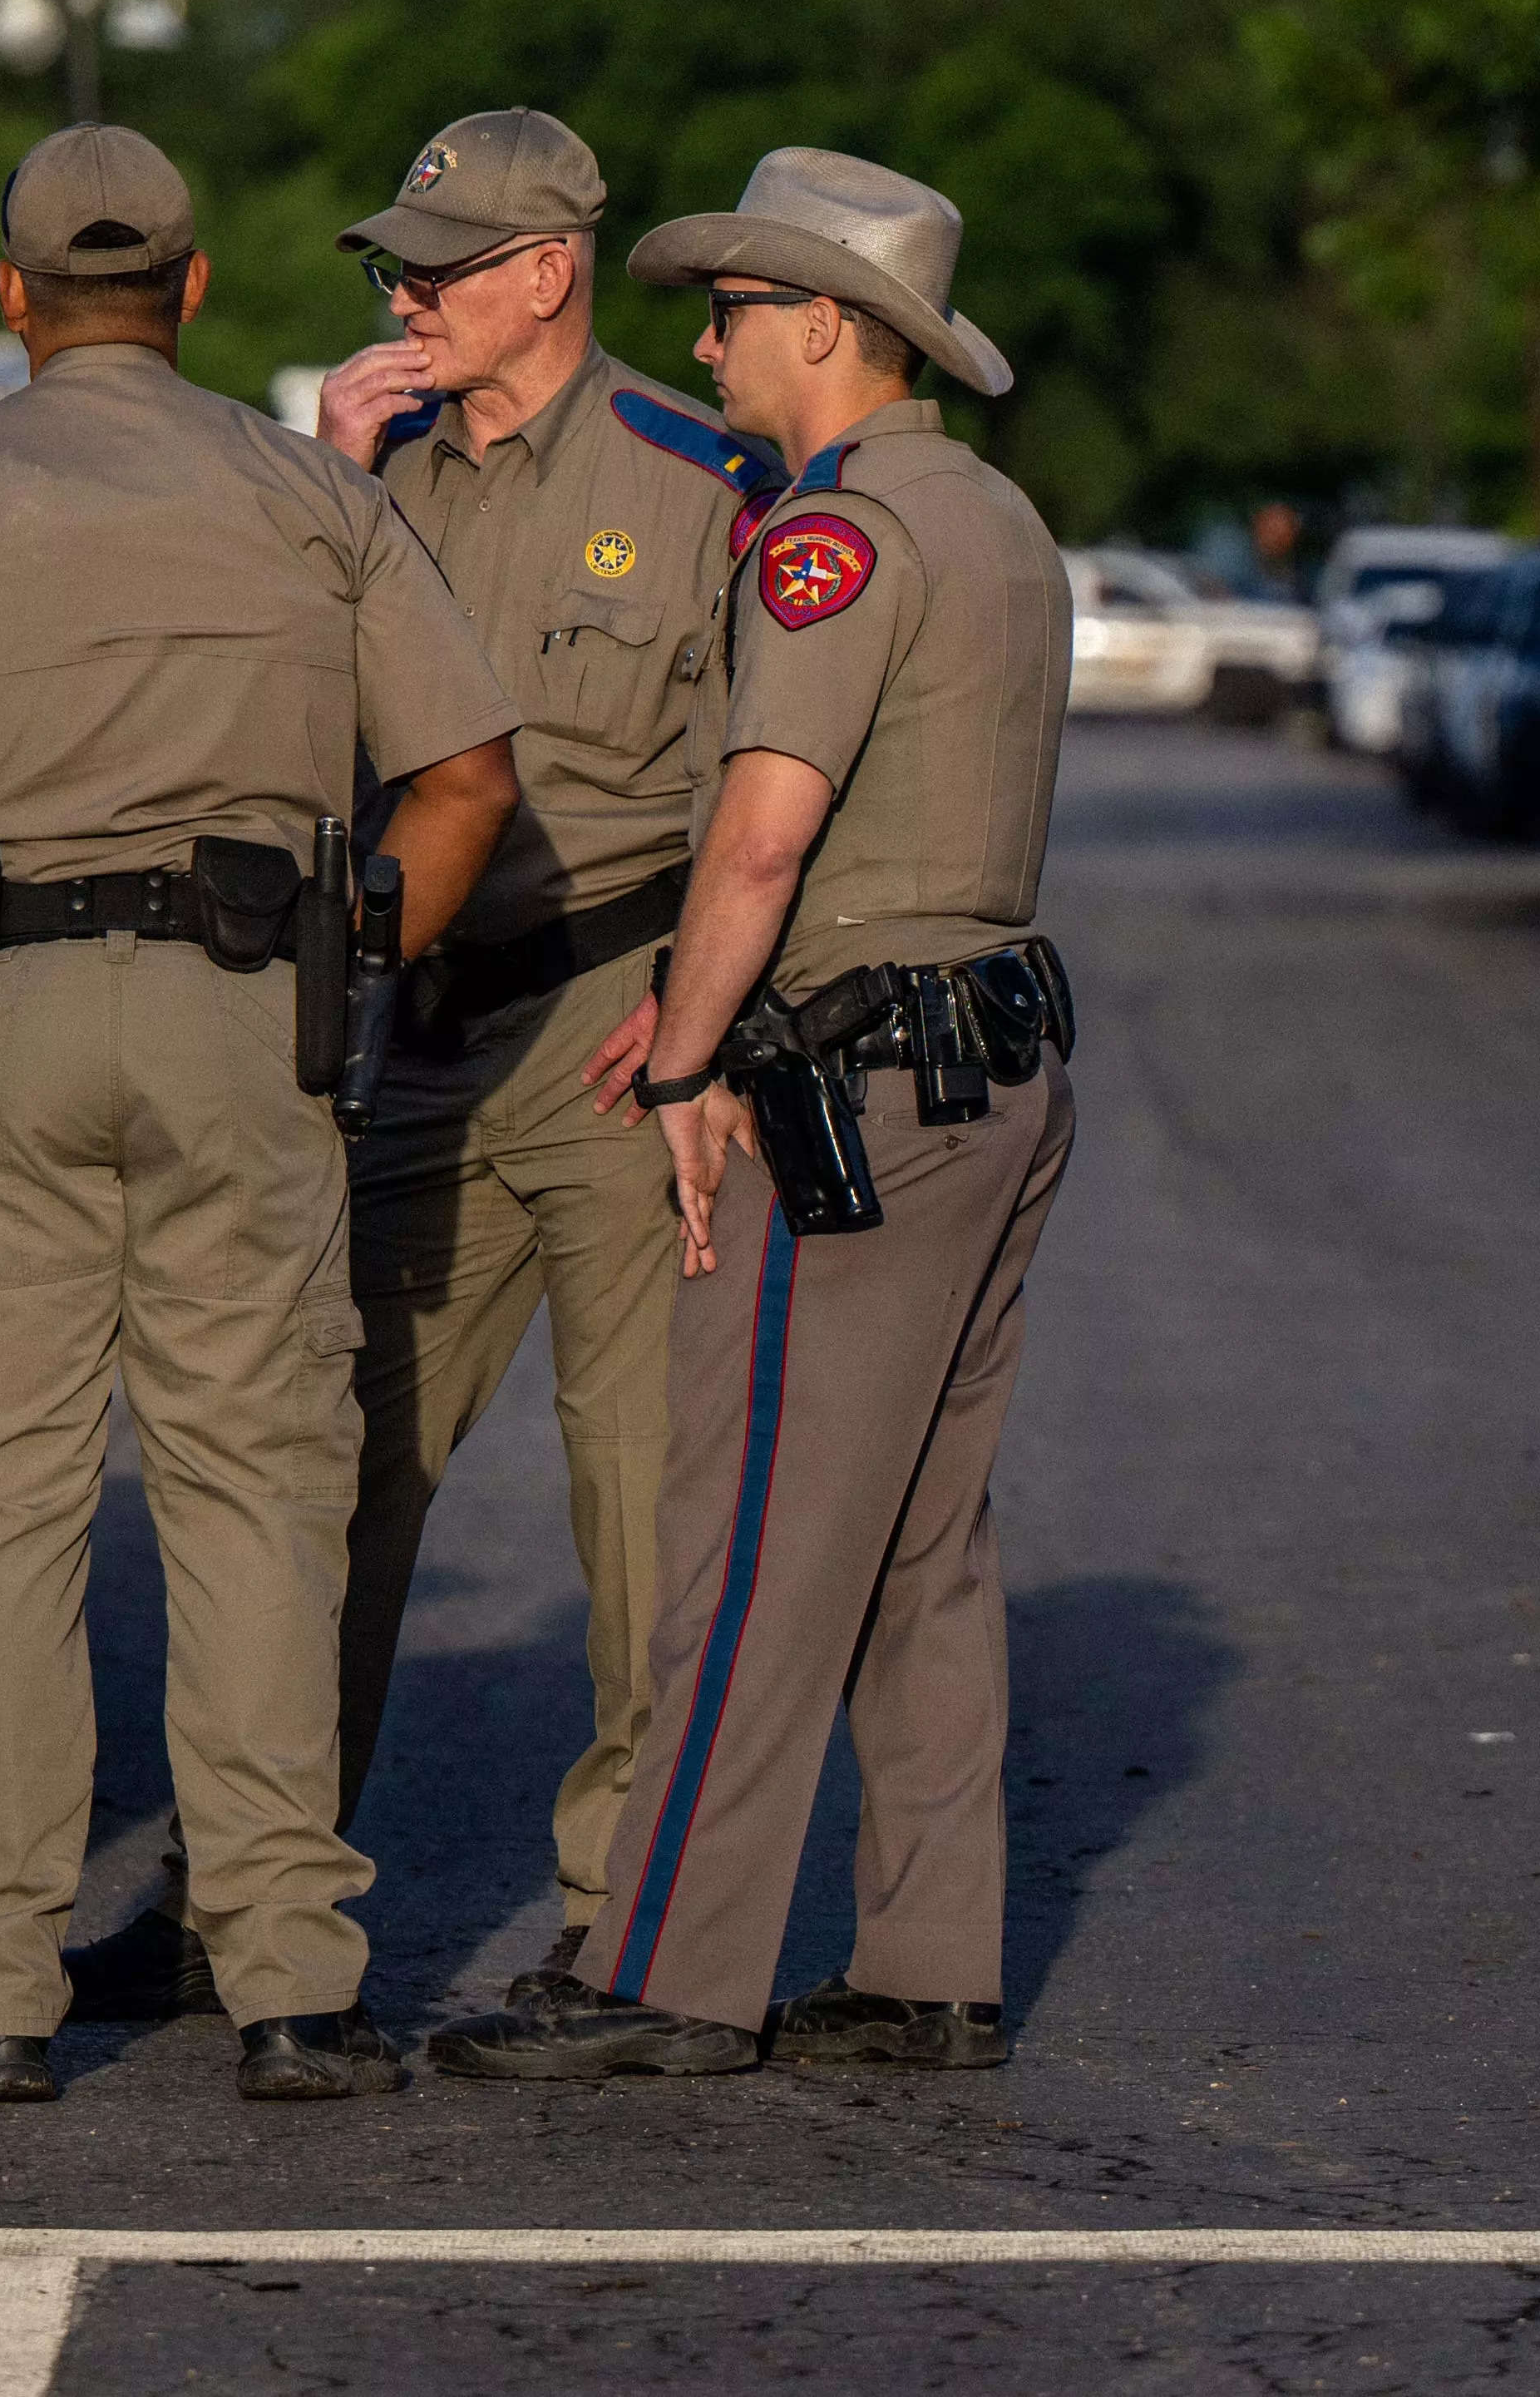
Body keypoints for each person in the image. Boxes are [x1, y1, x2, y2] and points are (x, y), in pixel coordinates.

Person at [0, 125, 523, 2106]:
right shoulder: (301, 493)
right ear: (191, 286)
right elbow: (471, 777)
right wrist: (355, 964)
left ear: (7, 298)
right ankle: (291, 1981)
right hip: (241, 1008)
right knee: (256, 1486)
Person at [62, 109, 782, 2025]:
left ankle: (624, 1913)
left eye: (438, 270)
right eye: (391, 270)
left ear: (547, 271)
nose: (402, 297)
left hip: (618, 1021)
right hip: (410, 1031)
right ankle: (241, 1896)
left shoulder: (699, 474)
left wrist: (720, 1031)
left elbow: (770, 782)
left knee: (637, 1496)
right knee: (315, 1469)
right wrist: (321, 480)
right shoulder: (344, 479)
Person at [425, 148, 1076, 2082]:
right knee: (918, 1542)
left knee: (755, 1538)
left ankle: (660, 1971)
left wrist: (690, 1055)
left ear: (827, 328)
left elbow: (762, 830)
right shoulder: (1002, 516)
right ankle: (926, 1960)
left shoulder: (836, 533)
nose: (700, 338)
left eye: (730, 309)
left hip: (860, 1072)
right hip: (997, 1053)